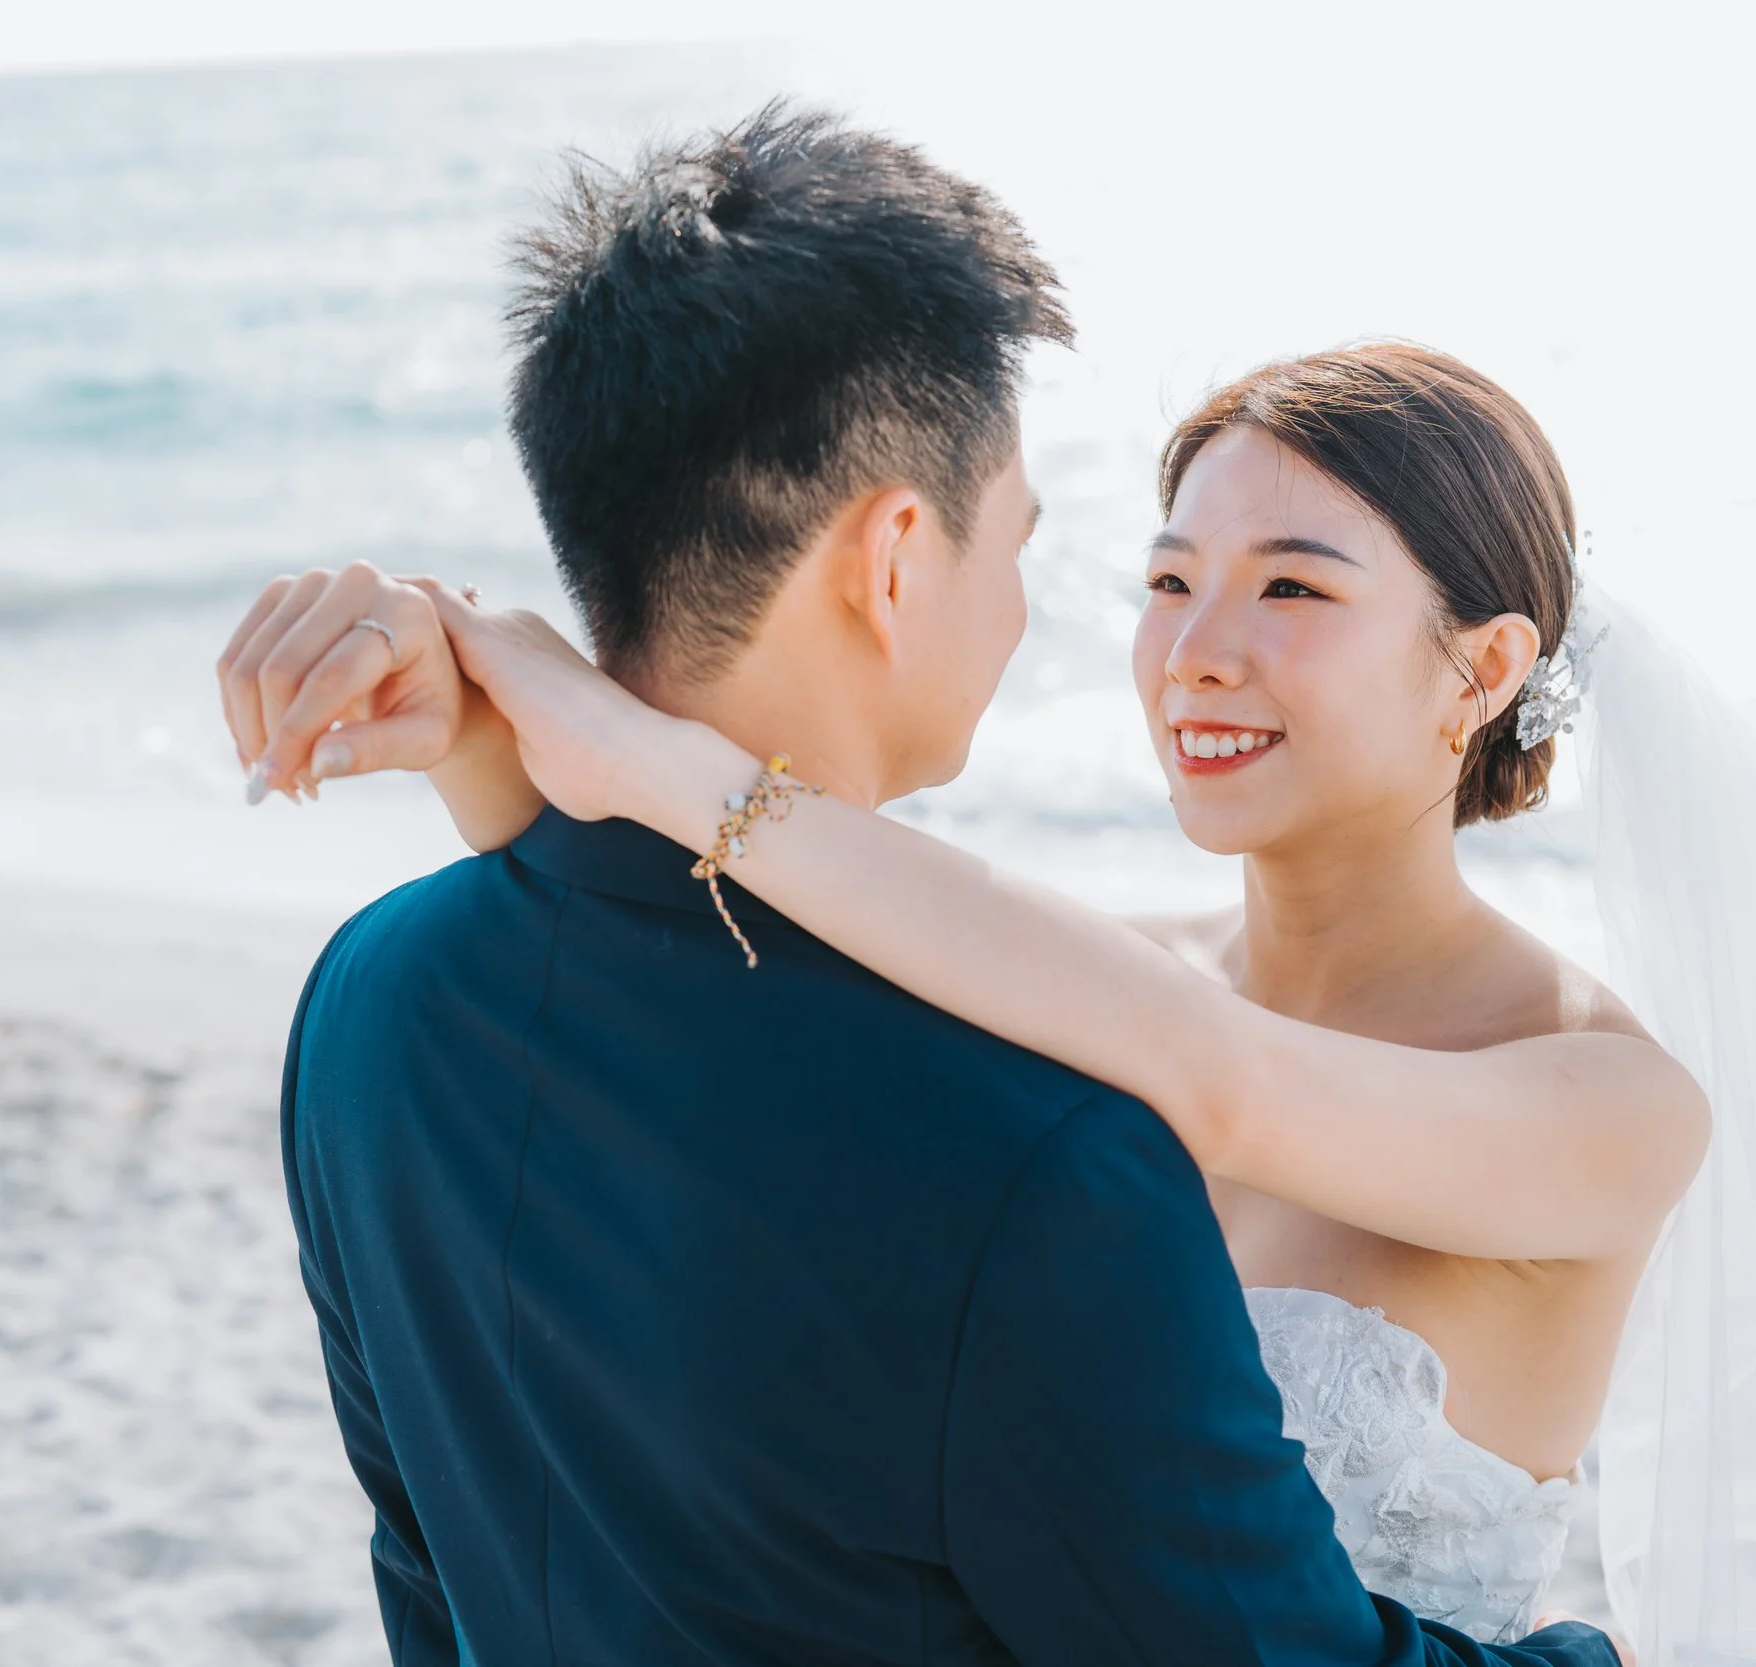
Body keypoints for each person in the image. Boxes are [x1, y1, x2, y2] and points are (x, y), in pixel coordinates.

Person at [249, 107, 1625, 1665]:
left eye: (1291, 584)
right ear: (896, 555)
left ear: (1489, 665)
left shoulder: (368, 1002)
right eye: (1156, 577)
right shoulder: (1048, 1142)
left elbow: (435, 1553)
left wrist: (555, 750)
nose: (1187, 648)